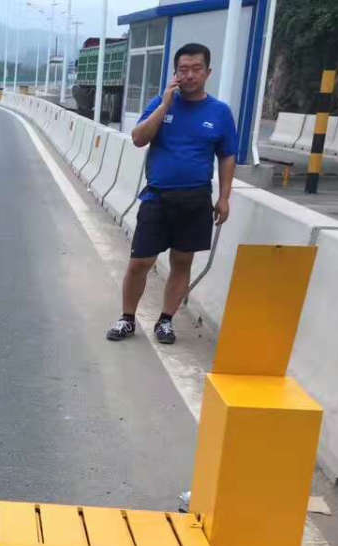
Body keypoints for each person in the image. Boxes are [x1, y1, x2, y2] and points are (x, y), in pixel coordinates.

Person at [107, 43, 237, 345]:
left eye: (196, 69)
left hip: (195, 199)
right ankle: (127, 318)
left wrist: (225, 196)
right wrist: (165, 105)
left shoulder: (219, 112)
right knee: (140, 262)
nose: (189, 75)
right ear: (175, 73)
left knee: (182, 262)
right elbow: (139, 138)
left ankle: (165, 321)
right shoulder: (161, 103)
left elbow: (227, 155)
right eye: (183, 70)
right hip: (157, 198)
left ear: (208, 72)